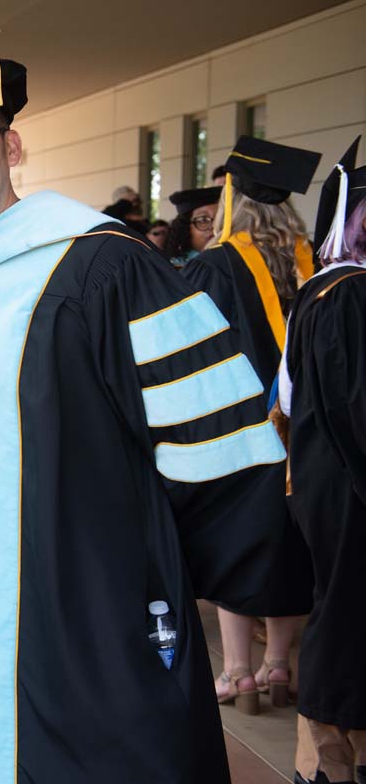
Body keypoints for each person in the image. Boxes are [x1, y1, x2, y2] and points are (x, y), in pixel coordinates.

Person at [0, 46, 301, 783]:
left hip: (89, 605)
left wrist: (161, 578)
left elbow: (210, 440)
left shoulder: (110, 267)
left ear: (11, 145)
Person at [181, 136, 319, 716]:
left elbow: (191, 347)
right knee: (294, 543)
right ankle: (280, 662)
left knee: (237, 541)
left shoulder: (215, 264)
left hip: (239, 431)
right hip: (306, 428)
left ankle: (237, 672)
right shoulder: (314, 260)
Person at [279, 137, 366, 784]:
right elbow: (356, 407)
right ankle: (330, 756)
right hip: (350, 480)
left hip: (323, 475)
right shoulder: (352, 296)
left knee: (340, 605)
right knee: (347, 611)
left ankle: (330, 751)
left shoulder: (320, 288)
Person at [161, 186, 220, 269]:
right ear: (185, 228)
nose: (214, 226)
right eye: (203, 220)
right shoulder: (173, 270)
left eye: (220, 219)